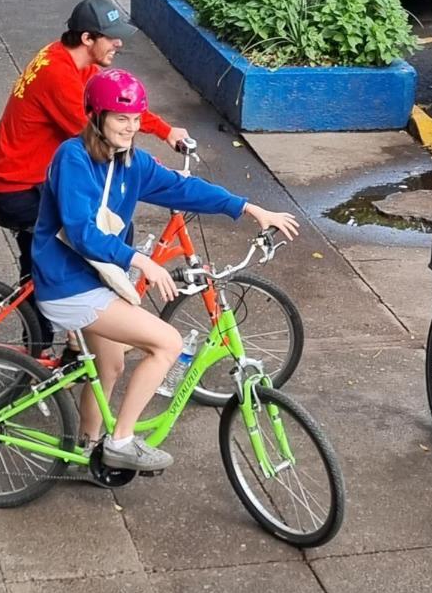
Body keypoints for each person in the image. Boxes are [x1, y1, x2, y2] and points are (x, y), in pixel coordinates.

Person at [32, 69, 298, 472]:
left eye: (137, 119)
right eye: (121, 118)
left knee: (111, 365)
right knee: (167, 344)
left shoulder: (131, 163)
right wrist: (141, 261)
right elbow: (81, 231)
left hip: (94, 278)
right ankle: (121, 441)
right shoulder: (73, 158)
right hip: (68, 284)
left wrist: (249, 208)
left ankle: (87, 446)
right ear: (96, 116)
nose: (131, 127)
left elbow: (184, 188)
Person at [0, 0, 189, 347]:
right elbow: (98, 134)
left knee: (97, 237)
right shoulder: (58, 76)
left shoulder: (72, 61)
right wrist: (150, 169)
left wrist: (165, 131)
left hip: (29, 177)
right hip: (18, 187)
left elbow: (114, 105)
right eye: (111, 37)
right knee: (75, 249)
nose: (119, 43)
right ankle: (39, 350)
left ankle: (80, 333)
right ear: (87, 39)